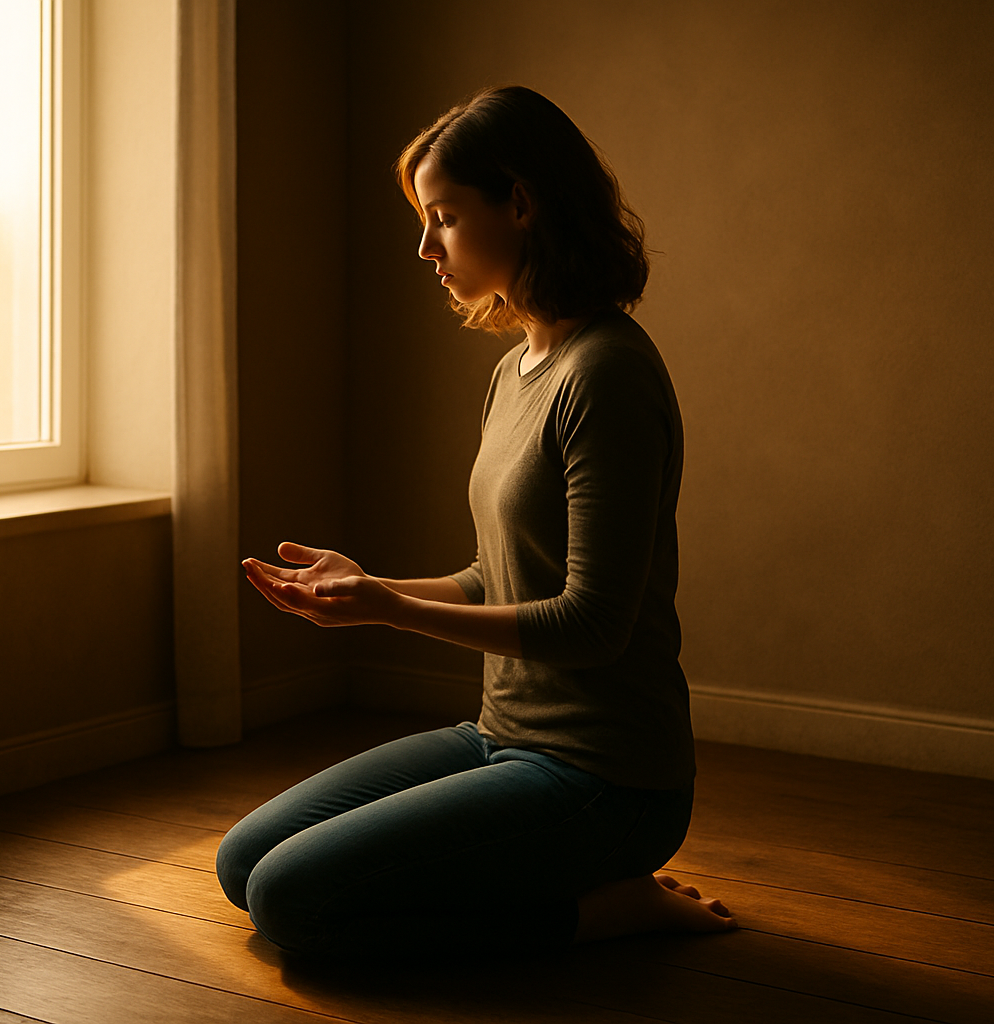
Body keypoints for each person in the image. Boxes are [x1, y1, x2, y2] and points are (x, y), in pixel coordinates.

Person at [215, 85, 735, 960]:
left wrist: (389, 612)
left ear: (521, 204)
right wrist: (365, 587)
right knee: (242, 864)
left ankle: (604, 910)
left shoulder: (605, 375)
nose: (425, 247)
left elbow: (593, 624)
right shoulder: (517, 371)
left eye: (445, 217)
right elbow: (497, 576)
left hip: (608, 776)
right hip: (499, 735)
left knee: (291, 900)